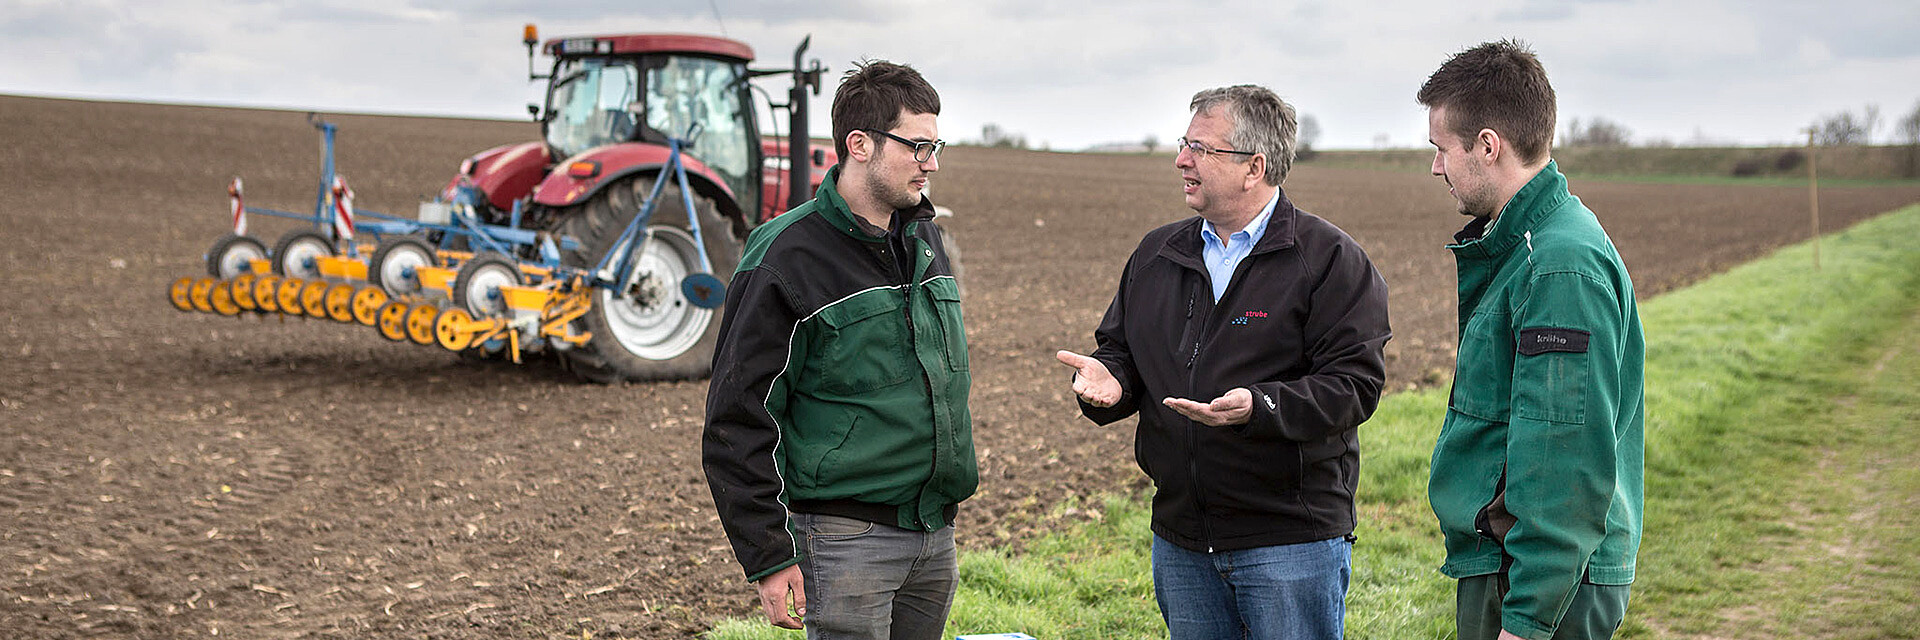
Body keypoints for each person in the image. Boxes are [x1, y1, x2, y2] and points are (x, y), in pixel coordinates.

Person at [1055, 85, 1392, 640]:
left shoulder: (1329, 259)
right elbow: (1123, 350)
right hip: (1181, 539)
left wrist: (1259, 406)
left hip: (1287, 543)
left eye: (1200, 148)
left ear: (1253, 167)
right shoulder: (1157, 254)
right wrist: (1111, 380)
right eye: (1183, 143)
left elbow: (1354, 385)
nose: (1181, 160)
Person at [702, 60, 973, 640]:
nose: (931, 164)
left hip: (935, 536)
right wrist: (770, 555)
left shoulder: (925, 239)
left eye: (936, 146)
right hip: (847, 543)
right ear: (860, 144)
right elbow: (735, 417)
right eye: (918, 147)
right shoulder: (785, 258)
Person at [1416, 40, 1646, 640]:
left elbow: (1561, 457)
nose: (1436, 167)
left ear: (1487, 146)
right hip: (1518, 566)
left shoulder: (1557, 266)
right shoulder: (1529, 245)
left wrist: (1526, 618)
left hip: (1540, 583)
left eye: (1441, 149)